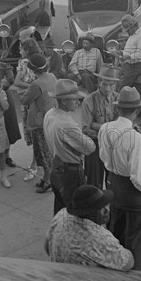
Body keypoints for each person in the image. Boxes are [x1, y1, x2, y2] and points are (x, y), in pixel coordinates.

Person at [99, 87, 141, 271]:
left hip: (113, 183)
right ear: (137, 111)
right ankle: (138, 275)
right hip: (132, 189)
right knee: (137, 237)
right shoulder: (135, 137)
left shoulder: (104, 128)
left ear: (118, 109)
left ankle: (116, 268)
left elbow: (104, 157)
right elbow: (137, 174)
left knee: (117, 231)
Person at [44, 185, 134, 271]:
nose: (107, 210)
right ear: (88, 213)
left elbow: (47, 246)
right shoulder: (99, 237)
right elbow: (128, 263)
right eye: (101, 208)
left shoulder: (61, 215)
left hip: (58, 273)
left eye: (106, 205)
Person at [43, 79, 96, 214]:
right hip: (70, 172)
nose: (78, 102)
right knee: (75, 211)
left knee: (60, 207)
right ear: (63, 101)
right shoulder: (66, 123)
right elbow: (90, 147)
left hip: (56, 166)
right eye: (74, 99)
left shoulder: (50, 114)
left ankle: (58, 232)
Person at [20, 54, 57, 193]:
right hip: (51, 118)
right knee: (48, 152)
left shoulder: (36, 84)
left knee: (43, 153)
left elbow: (25, 100)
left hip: (39, 122)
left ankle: (48, 181)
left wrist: (22, 95)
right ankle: (47, 178)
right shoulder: (52, 77)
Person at [81, 65, 120, 189]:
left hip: (113, 146)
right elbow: (86, 129)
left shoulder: (119, 99)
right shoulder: (88, 100)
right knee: (94, 183)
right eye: (105, 84)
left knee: (114, 182)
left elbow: (120, 124)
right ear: (99, 82)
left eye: (111, 84)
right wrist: (108, 130)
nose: (108, 88)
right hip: (94, 145)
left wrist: (97, 125)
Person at [13, 38, 41, 179]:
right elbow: (17, 82)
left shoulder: (29, 63)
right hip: (31, 102)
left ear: (27, 49)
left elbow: (18, 82)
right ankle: (37, 162)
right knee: (35, 133)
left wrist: (30, 88)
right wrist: (33, 87)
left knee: (36, 133)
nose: (20, 51)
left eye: (21, 48)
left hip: (33, 103)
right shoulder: (26, 63)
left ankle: (34, 165)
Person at [112, 14, 141, 91]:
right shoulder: (133, 34)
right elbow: (131, 49)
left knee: (122, 87)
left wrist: (129, 56)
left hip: (136, 66)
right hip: (129, 64)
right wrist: (122, 52)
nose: (127, 32)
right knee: (115, 78)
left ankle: (119, 99)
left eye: (128, 30)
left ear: (134, 26)